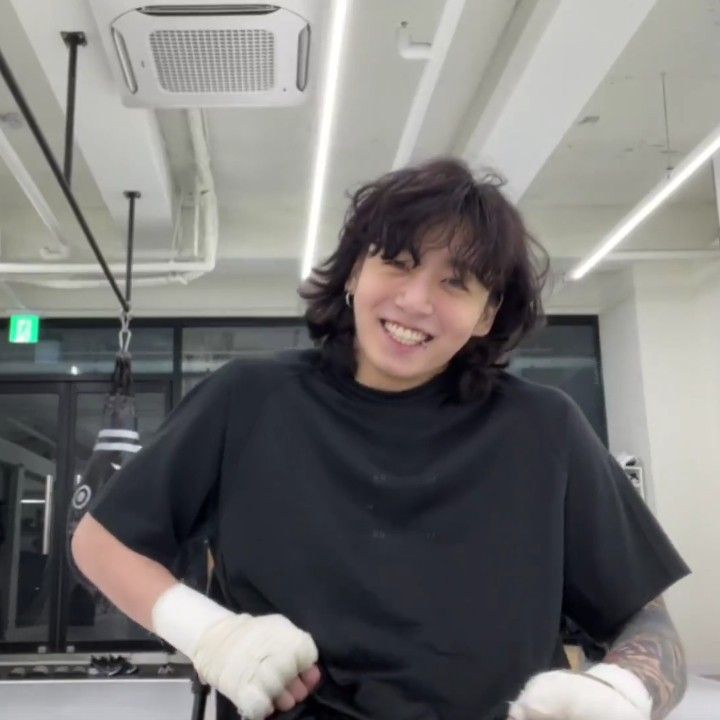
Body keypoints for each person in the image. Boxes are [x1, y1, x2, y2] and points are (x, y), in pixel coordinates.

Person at [72, 157, 691, 720]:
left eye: (457, 282)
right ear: (353, 272)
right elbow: (101, 542)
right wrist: (210, 634)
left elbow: (645, 618)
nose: (415, 300)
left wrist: (622, 692)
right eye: (397, 262)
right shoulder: (249, 399)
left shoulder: (545, 429)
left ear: (486, 314)